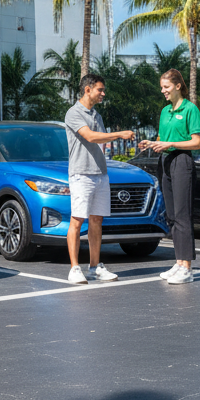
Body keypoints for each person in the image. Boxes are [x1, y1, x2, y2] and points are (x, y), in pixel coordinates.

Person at [64, 74, 136, 285]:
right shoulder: (73, 113)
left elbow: (102, 143)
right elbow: (91, 137)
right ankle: (74, 268)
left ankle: (95, 267)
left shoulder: (97, 115)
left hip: (100, 173)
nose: (103, 94)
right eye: (100, 90)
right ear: (88, 89)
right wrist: (120, 134)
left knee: (97, 220)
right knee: (77, 220)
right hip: (81, 174)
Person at [139, 68, 200, 283]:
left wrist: (171, 144)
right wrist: (152, 143)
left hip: (182, 161)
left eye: (166, 87)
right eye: (161, 88)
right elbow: (162, 138)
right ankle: (179, 263)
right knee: (173, 216)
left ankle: (187, 267)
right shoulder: (165, 111)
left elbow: (196, 142)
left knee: (183, 215)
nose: (163, 91)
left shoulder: (190, 109)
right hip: (165, 161)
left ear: (177, 86)